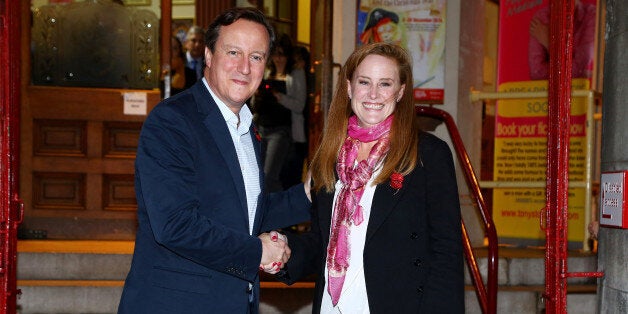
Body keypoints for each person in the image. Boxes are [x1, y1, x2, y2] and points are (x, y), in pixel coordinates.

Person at [118, 7, 312, 314]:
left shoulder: (247, 128)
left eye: (257, 56)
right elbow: (175, 225)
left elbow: (243, 213)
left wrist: (306, 194)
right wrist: (257, 251)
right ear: (208, 55)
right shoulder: (173, 121)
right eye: (233, 52)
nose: (245, 67)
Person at [264, 42, 464, 313]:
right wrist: (285, 251)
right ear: (348, 87)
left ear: (401, 91)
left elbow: (446, 253)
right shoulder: (330, 154)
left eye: (385, 84)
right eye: (364, 82)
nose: (373, 94)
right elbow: (322, 241)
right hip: (332, 305)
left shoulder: (429, 154)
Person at [253, 34, 303, 192]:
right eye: (275, 54)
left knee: (269, 176)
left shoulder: (295, 74)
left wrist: (278, 96)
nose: (278, 58)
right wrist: (257, 94)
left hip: (281, 131)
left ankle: (283, 207)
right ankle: (270, 210)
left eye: (282, 54)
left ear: (288, 55)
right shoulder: (266, 72)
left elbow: (299, 105)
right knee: (258, 176)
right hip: (261, 128)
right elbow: (254, 106)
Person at [528, 0, 596, 80]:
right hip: (549, 91)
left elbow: (579, 68)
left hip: (581, 91)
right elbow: (537, 73)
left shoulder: (591, 15)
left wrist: (550, 43)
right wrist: (577, 71)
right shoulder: (542, 18)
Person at [280, 45, 311, 189]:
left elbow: (299, 105)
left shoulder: (298, 74)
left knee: (290, 176)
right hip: (285, 130)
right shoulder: (287, 72)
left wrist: (279, 97)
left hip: (295, 133)